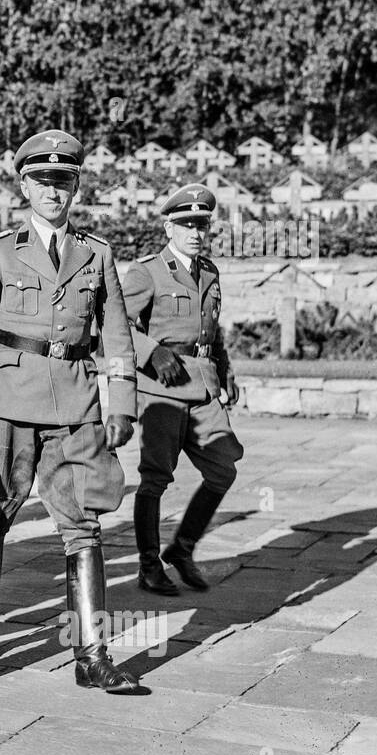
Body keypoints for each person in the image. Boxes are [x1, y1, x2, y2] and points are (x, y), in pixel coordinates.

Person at [0, 130, 141, 693]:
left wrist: (123, 403)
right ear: (24, 186)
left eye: (63, 181)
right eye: (43, 181)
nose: (53, 191)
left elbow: (117, 336)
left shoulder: (97, 254)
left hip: (76, 403)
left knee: (83, 524)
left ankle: (92, 654)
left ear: (76, 185)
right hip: (7, 402)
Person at [122, 183, 243, 594]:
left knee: (223, 468)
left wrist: (224, 370)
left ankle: (183, 548)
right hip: (162, 388)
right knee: (155, 478)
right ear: (168, 228)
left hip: (203, 385)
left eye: (201, 225)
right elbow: (114, 324)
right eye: (185, 225)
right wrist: (150, 351)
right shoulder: (147, 272)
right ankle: (148, 564)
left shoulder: (209, 271)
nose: (194, 233)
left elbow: (213, 328)